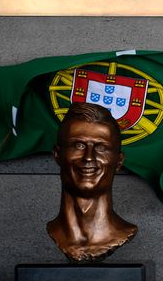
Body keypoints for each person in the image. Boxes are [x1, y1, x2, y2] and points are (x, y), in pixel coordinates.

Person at [47, 102, 137, 262]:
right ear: (57, 155)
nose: (89, 157)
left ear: (119, 161)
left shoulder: (124, 232)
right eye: (79, 145)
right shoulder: (52, 231)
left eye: (101, 148)